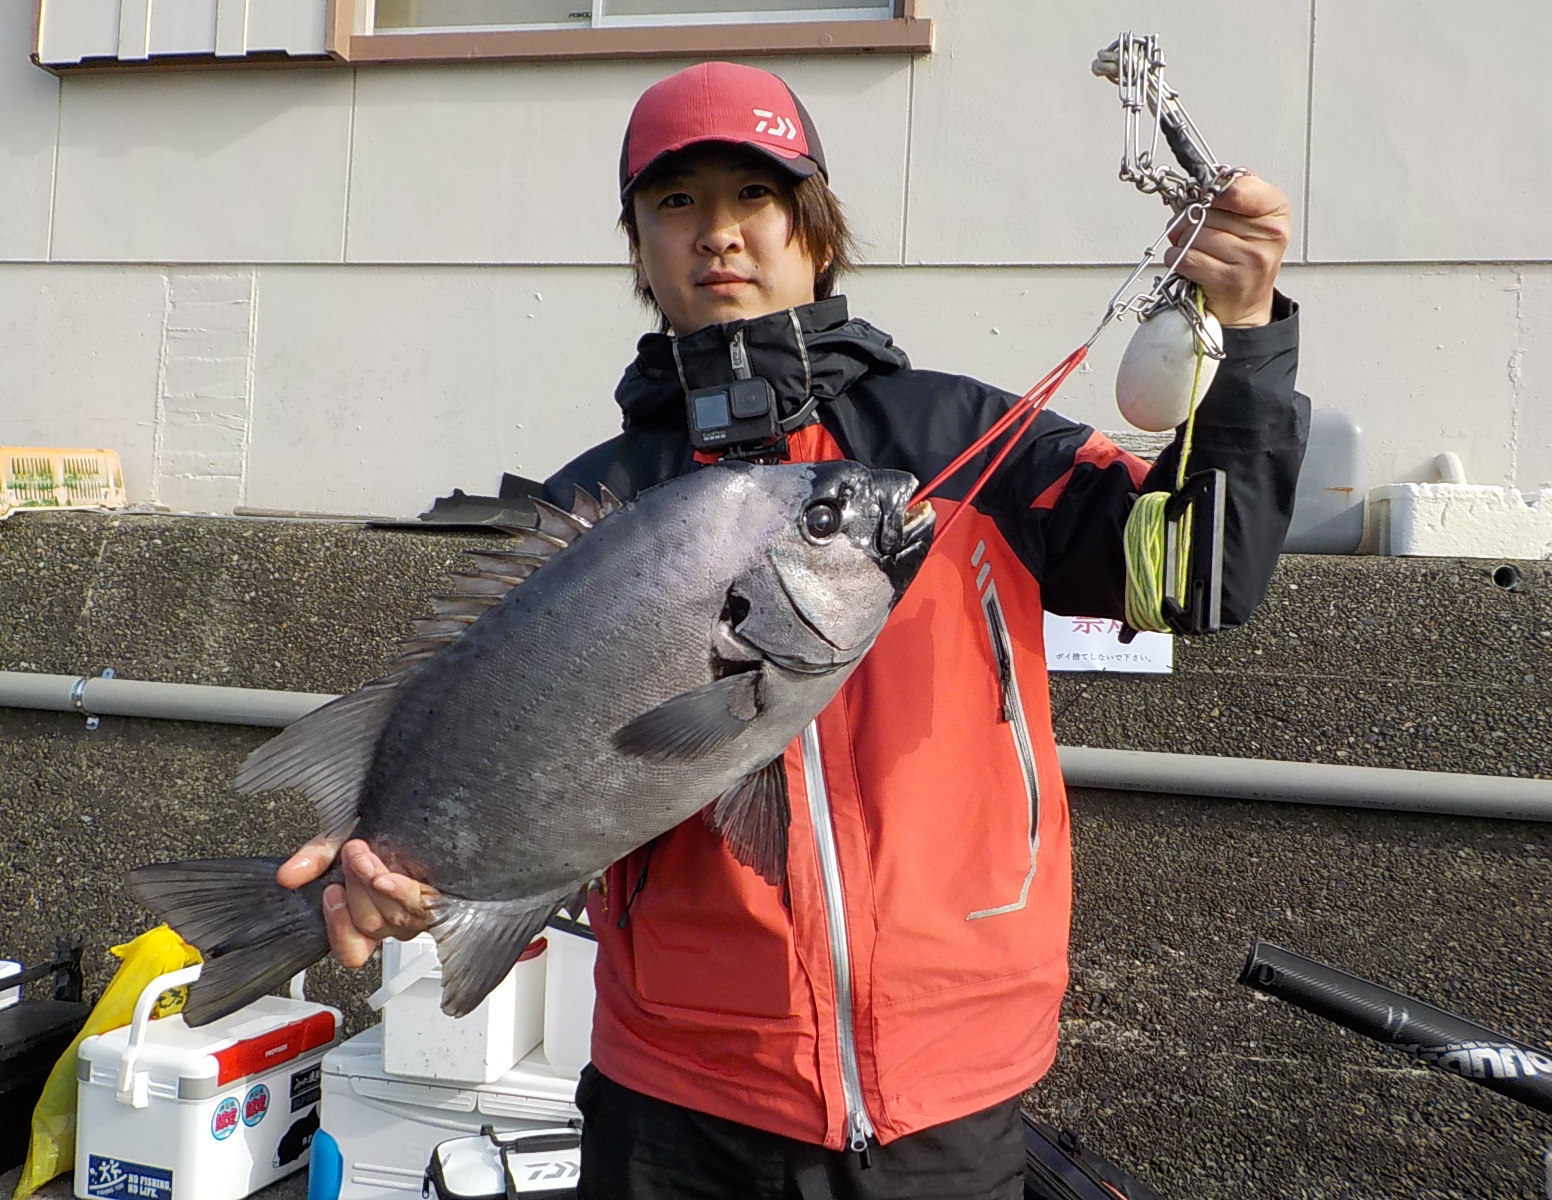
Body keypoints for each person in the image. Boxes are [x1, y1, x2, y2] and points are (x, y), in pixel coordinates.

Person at [280, 60, 1307, 1199]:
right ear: (638, 249)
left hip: (950, 1091)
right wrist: (391, 869)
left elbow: (1193, 575)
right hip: (674, 1099)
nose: (717, 234)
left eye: (752, 198)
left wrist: (1246, 336)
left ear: (814, 230)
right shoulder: (594, 507)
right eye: (676, 204)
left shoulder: (961, 437)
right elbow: (510, 751)